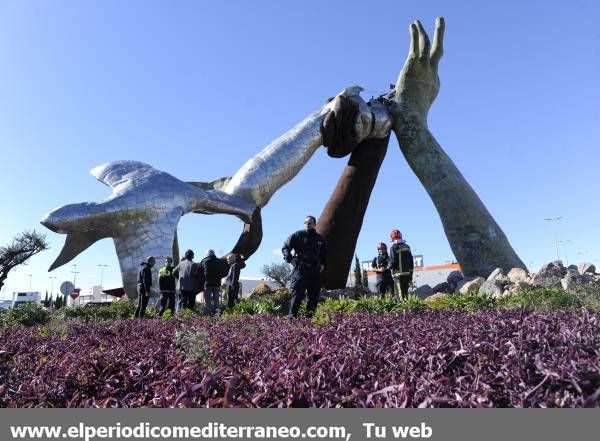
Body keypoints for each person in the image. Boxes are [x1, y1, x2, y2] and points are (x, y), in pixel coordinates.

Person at [282, 215, 327, 318]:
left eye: (310, 222)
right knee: (297, 295)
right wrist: (289, 258)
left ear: (315, 224)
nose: (307, 224)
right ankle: (291, 318)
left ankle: (309, 321)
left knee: (314, 297)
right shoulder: (298, 235)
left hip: (315, 272)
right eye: (306, 222)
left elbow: (324, 255)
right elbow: (285, 247)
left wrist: (323, 265)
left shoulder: (319, 239)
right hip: (300, 271)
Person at [199, 249, 227, 316]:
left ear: (207, 254)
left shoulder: (204, 261)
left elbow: (200, 273)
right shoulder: (219, 261)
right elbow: (222, 272)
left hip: (207, 284)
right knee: (216, 301)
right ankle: (217, 315)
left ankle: (208, 316)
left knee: (208, 301)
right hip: (217, 284)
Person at [389, 229, 414, 300]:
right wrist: (411, 274)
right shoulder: (407, 246)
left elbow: (392, 262)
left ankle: (403, 310)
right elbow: (411, 262)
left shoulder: (393, 247)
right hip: (407, 274)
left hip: (398, 276)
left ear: (392, 238)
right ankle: (408, 310)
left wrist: (388, 267)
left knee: (399, 295)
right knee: (405, 294)